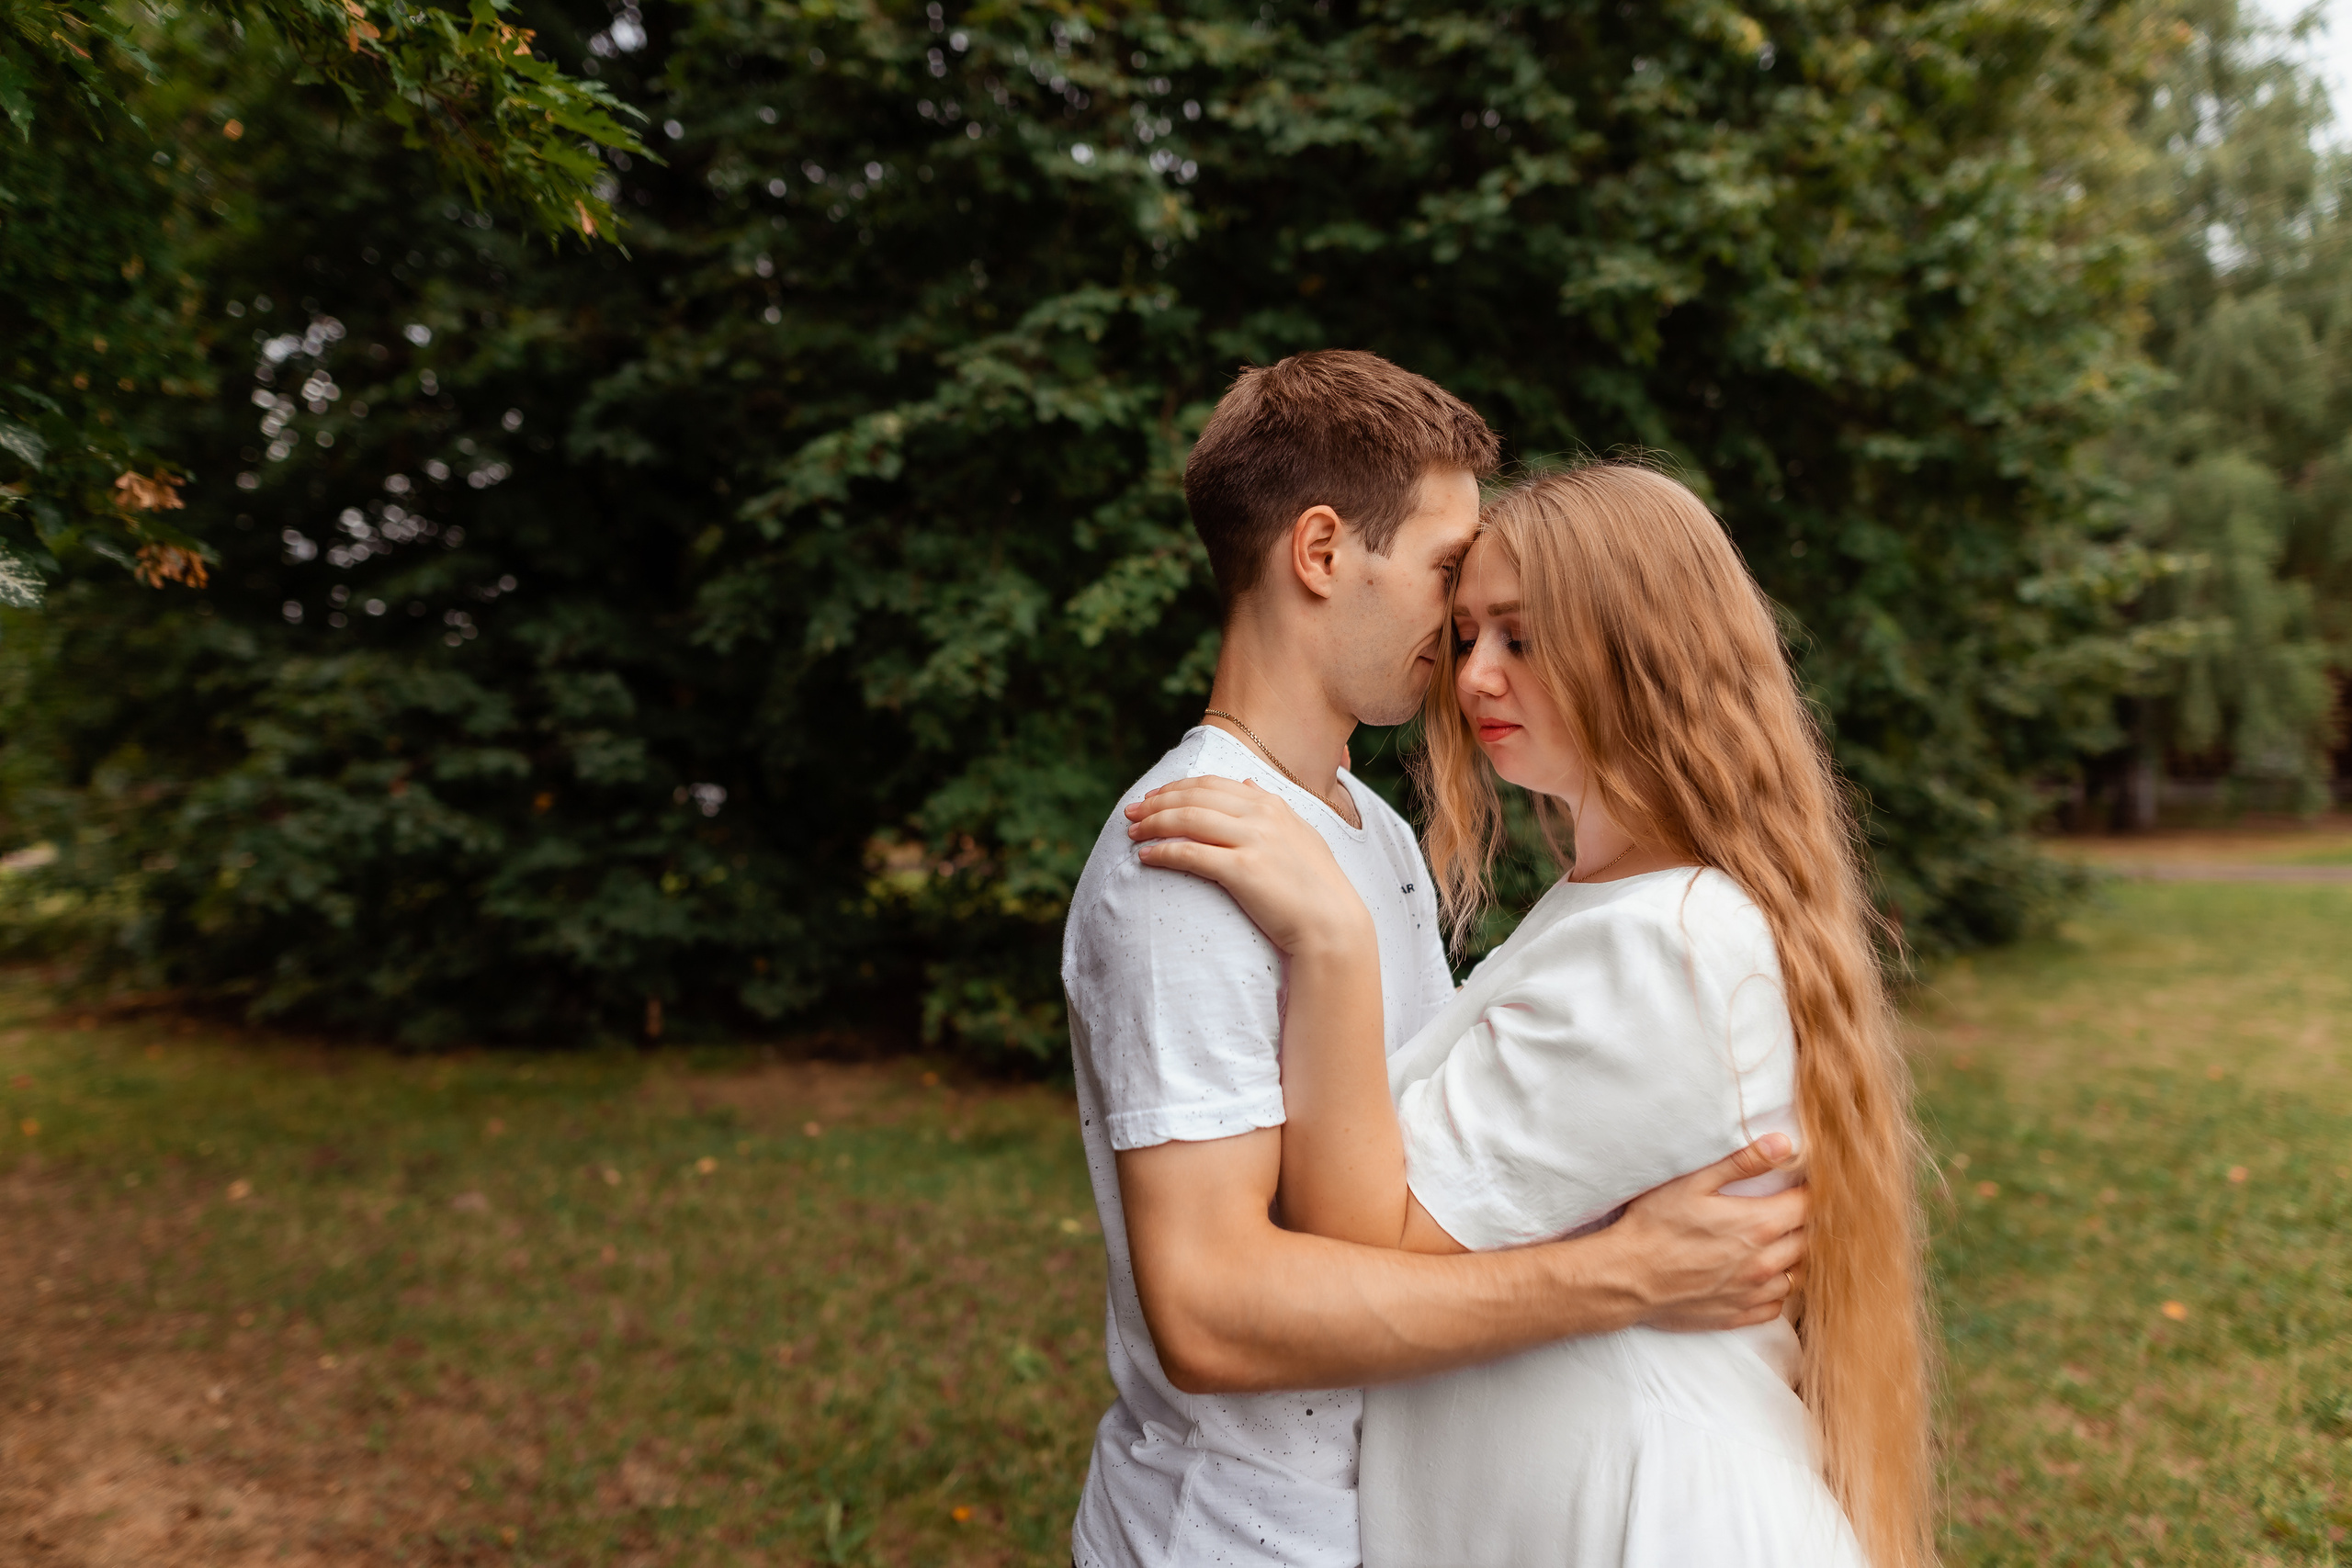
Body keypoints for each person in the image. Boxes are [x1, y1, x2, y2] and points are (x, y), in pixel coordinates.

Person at [1065, 356, 1812, 1568]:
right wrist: (1622, 1275)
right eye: (1444, 574)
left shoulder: (1365, 830)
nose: (1466, 646)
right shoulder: (1193, 852)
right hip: (1246, 1540)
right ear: (1321, 552)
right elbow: (1209, 1313)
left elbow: (1426, 1161)